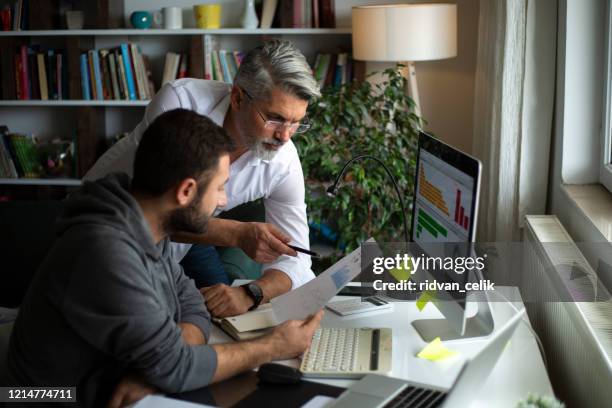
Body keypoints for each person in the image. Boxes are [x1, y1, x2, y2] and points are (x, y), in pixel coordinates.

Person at [7, 109, 323, 408]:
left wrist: (165, 365)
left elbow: (191, 303)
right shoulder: (106, 252)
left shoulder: (144, 225)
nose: (224, 201)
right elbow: (174, 365)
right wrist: (273, 347)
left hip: (110, 383)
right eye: (220, 188)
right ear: (185, 191)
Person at [84, 40, 321, 318]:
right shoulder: (181, 105)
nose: (285, 135)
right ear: (237, 98)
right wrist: (237, 233)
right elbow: (157, 212)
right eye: (275, 118)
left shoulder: (284, 160)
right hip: (107, 227)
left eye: (296, 122)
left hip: (187, 241)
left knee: (221, 314)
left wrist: (252, 293)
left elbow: (297, 258)